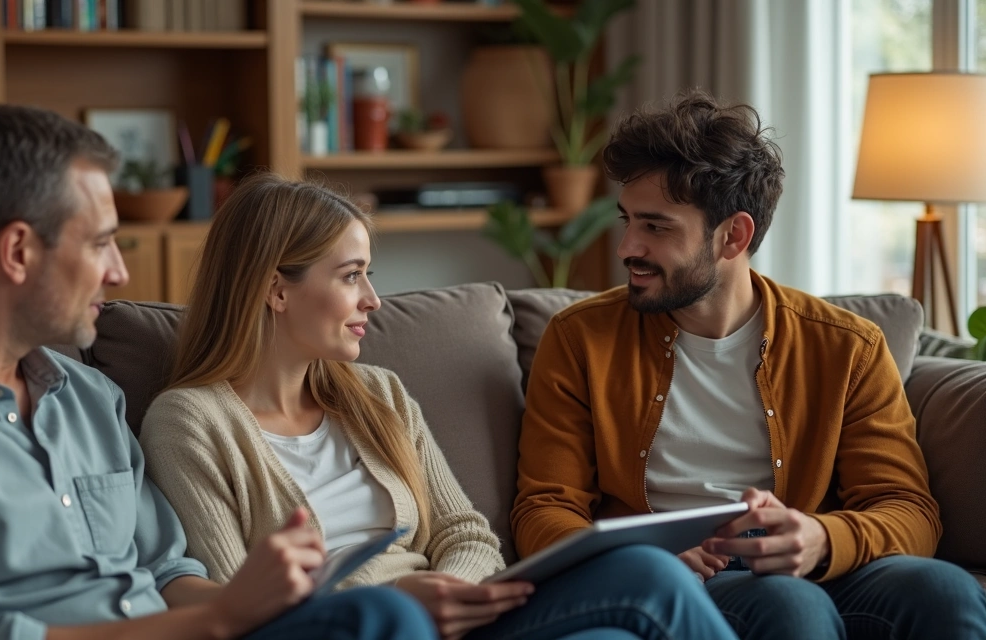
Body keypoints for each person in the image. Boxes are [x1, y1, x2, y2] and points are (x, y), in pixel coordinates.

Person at [0, 105, 434, 640]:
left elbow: (168, 566)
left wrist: (253, 603)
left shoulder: (86, 396)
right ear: (19, 250)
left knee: (378, 617)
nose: (119, 272)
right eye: (100, 243)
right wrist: (214, 621)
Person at [140, 173, 739, 640]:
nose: (373, 299)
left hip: (462, 617)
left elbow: (467, 532)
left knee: (646, 577)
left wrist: (452, 594)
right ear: (276, 289)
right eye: (351, 276)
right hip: (360, 628)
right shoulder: (190, 422)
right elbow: (239, 606)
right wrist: (400, 604)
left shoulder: (379, 394)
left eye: (369, 275)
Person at [512, 90, 986, 639]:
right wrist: (643, 556)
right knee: (789, 606)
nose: (626, 247)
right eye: (628, 221)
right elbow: (544, 508)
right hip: (673, 579)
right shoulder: (580, 339)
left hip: (810, 566)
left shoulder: (847, 347)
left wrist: (821, 539)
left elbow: (907, 508)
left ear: (734, 235)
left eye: (655, 227)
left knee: (946, 591)